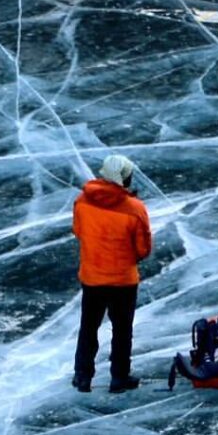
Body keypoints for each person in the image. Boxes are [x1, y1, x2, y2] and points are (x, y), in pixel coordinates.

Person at [71, 154, 152, 393]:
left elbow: (78, 231)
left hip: (93, 276)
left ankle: (83, 376)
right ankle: (119, 377)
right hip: (123, 280)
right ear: (125, 177)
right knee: (122, 329)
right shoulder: (135, 209)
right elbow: (143, 248)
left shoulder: (82, 201)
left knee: (88, 327)